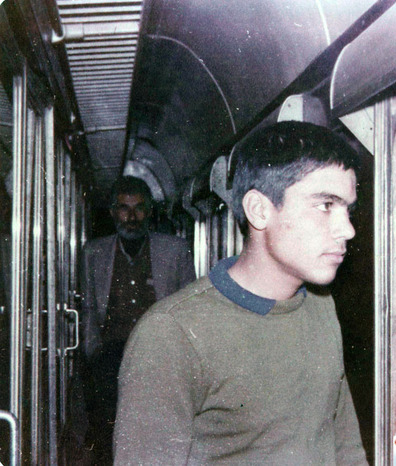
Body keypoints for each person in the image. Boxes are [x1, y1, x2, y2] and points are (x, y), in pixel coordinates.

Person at [114, 121, 368, 464]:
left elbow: (345, 446)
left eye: (348, 210)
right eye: (325, 205)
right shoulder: (171, 334)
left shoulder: (321, 307)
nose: (348, 230)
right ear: (259, 210)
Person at [79, 176, 195, 464]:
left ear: (150, 211)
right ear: (112, 212)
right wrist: (93, 352)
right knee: (107, 430)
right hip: (110, 357)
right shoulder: (94, 253)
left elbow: (189, 307)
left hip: (159, 356)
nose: (131, 217)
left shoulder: (175, 251)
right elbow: (89, 308)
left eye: (139, 208)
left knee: (156, 432)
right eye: (124, 208)